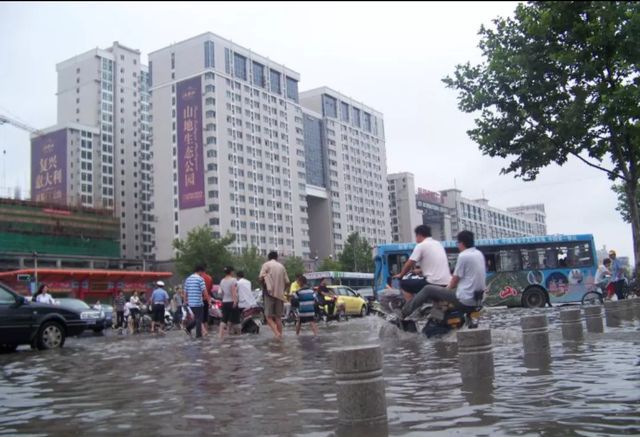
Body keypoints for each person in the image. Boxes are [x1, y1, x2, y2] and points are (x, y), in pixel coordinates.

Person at [401, 230, 486, 318]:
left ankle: (404, 312)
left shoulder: (463, 256)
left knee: (428, 289)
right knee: (440, 294)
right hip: (478, 300)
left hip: (464, 299)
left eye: (457, 243)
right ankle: (437, 316)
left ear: (461, 243)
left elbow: (454, 281)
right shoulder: (479, 254)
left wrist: (445, 291)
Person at [393, 225, 451, 303]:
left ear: (419, 235)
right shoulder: (438, 244)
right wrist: (420, 270)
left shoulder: (421, 245)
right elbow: (435, 264)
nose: (416, 239)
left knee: (404, 284)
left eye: (416, 236)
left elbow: (409, 263)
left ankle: (411, 310)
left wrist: (401, 275)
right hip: (447, 282)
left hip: (433, 282)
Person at [259, 251, 290, 339]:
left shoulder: (266, 265)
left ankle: (277, 334)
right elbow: (287, 282)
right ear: (277, 258)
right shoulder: (281, 266)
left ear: (268, 258)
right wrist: (283, 290)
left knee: (268, 316)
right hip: (280, 295)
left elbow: (260, 277)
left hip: (269, 293)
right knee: (278, 317)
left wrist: (264, 283)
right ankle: (280, 337)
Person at [184, 265, 206, 338]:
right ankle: (198, 336)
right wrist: (208, 299)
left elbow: (185, 291)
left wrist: (185, 300)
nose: (203, 274)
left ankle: (188, 328)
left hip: (191, 303)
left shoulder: (188, 279)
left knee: (197, 318)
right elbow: (204, 291)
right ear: (200, 271)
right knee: (199, 319)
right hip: (198, 302)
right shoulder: (200, 279)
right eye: (202, 272)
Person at [219, 267, 239, 340]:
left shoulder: (222, 281)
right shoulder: (233, 280)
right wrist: (235, 301)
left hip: (224, 302)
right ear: (231, 272)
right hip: (232, 301)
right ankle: (238, 336)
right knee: (236, 320)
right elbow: (233, 291)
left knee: (224, 319)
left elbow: (221, 293)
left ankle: (220, 336)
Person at [200, 268, 213, 336]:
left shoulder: (199, 278)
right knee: (205, 315)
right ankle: (206, 329)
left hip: (199, 299)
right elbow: (210, 289)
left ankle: (202, 331)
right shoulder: (209, 278)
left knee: (199, 316)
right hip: (207, 299)